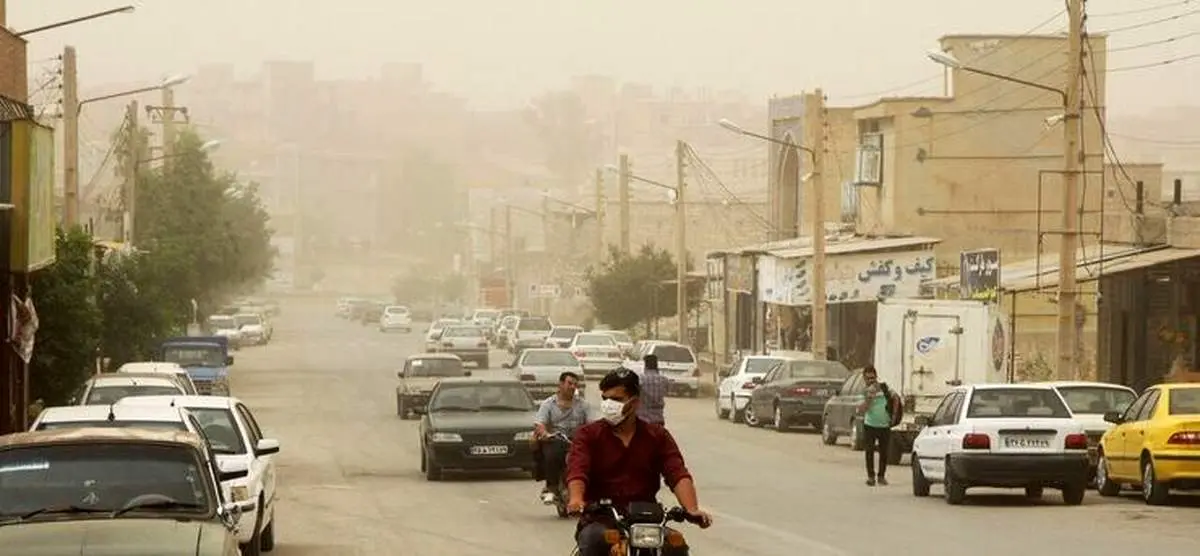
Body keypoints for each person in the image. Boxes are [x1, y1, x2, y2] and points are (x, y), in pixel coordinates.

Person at [565, 369, 712, 556]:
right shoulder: (588, 435)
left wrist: (692, 509)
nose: (609, 405)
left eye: (616, 400)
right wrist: (576, 499)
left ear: (634, 402)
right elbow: (578, 470)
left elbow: (677, 473)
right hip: (601, 519)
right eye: (605, 399)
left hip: (647, 521)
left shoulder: (657, 436)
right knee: (594, 541)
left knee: (676, 546)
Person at [533, 371, 592, 504]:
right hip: (556, 439)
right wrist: (545, 433)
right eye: (569, 383)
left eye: (575, 385)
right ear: (560, 384)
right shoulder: (548, 403)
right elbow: (539, 423)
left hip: (578, 441)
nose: (572, 387)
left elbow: (591, 424)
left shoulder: (583, 405)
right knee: (552, 455)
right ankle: (551, 488)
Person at [856, 365, 900, 486]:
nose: (871, 381)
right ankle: (871, 476)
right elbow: (861, 410)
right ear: (864, 379)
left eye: (873, 378)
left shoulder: (884, 387)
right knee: (869, 451)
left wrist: (894, 415)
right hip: (870, 424)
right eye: (868, 379)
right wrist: (869, 398)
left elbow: (895, 397)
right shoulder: (863, 391)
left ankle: (881, 476)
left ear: (876, 377)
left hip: (885, 425)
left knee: (884, 452)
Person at [637, 354, 668, 425]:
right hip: (659, 420)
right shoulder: (664, 380)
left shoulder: (640, 379)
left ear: (645, 366)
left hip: (642, 420)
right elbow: (666, 392)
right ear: (656, 366)